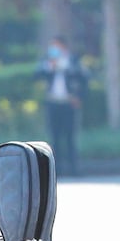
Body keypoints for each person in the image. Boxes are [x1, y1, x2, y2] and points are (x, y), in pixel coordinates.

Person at [35, 36, 88, 176]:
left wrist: (79, 97)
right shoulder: (47, 62)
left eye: (57, 47)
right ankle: (56, 169)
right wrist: (50, 66)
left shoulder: (73, 61)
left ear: (64, 47)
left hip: (69, 103)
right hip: (53, 103)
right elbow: (37, 75)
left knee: (70, 136)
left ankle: (74, 169)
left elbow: (84, 78)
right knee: (55, 136)